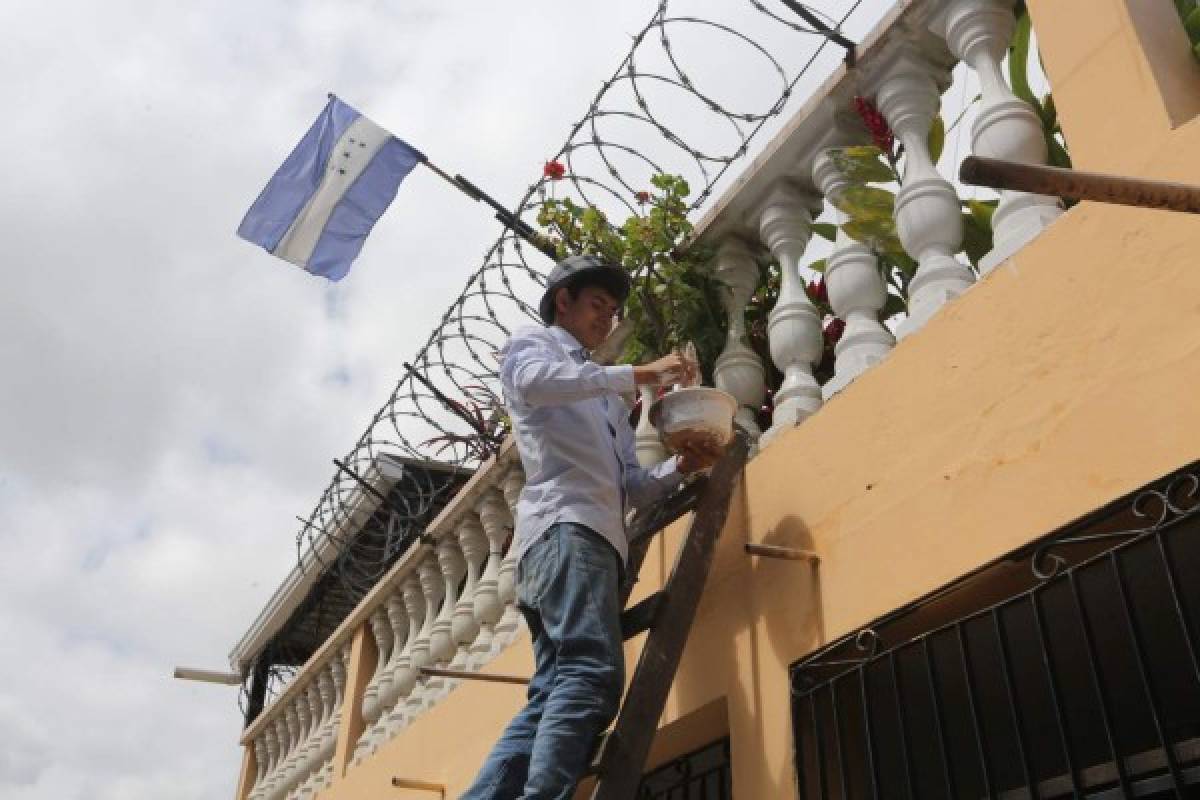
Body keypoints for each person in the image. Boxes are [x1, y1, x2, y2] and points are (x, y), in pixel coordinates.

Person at [460, 254, 725, 799]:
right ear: (564, 302)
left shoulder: (605, 395)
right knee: (591, 677)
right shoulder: (533, 345)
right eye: (597, 306)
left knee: (552, 693)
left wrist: (681, 467)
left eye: (613, 311)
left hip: (585, 540)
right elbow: (536, 383)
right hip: (566, 533)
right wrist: (639, 374)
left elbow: (630, 482)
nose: (607, 318)